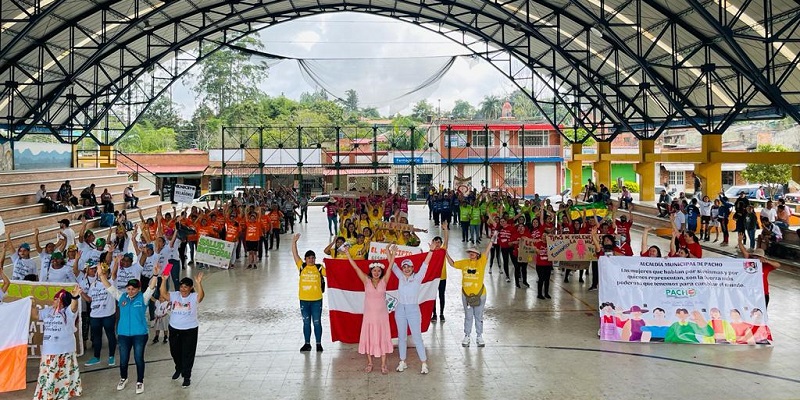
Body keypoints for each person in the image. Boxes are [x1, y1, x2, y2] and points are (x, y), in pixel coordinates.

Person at [99, 259, 157, 395]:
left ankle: (139, 381)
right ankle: (123, 378)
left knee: (138, 358)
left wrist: (155, 275)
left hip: (139, 334)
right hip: (124, 334)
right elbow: (109, 288)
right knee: (123, 359)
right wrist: (101, 275)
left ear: (138, 289)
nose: (130, 291)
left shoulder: (143, 298)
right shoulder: (122, 297)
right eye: (128, 289)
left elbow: (151, 288)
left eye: (133, 289)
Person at [345, 245, 393, 374]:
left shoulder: (384, 281)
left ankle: (383, 365)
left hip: (382, 317)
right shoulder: (366, 281)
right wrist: (347, 253)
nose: (376, 272)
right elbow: (355, 267)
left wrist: (390, 253)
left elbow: (391, 265)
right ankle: (370, 363)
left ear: (381, 272)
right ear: (370, 271)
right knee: (369, 337)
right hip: (369, 317)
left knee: (382, 337)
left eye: (378, 270)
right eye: (374, 270)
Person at [446, 232, 496, 347]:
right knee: (468, 316)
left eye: (474, 253)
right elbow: (452, 264)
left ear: (478, 255)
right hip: (466, 295)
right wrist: (446, 254)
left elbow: (487, 250)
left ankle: (479, 336)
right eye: (470, 252)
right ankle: (467, 335)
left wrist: (492, 239)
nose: (472, 254)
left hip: (480, 295)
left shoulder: (481, 262)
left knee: (478, 316)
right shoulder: (464, 263)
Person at [390, 245, 435, 374]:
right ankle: (402, 361)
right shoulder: (400, 277)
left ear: (413, 268)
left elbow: (425, 264)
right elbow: (392, 265)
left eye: (408, 267)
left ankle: (424, 363)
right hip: (400, 309)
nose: (406, 269)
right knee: (401, 337)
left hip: (413, 310)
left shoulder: (417, 278)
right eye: (404, 267)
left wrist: (431, 250)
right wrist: (391, 252)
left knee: (417, 336)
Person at [32, 287, 83, 400]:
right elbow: (35, 316)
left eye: (56, 299)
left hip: (65, 349)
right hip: (49, 350)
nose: (53, 301)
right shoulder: (48, 311)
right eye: (54, 299)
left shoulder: (68, 312)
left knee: (64, 374)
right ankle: (48, 395)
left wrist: (75, 297)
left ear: (62, 301)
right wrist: (32, 305)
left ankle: (64, 393)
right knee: (48, 374)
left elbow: (74, 307)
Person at [160, 269, 204, 388]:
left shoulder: (194, 296)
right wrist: (163, 280)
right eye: (181, 287)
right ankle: (178, 367)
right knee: (175, 351)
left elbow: (200, 297)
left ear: (190, 288)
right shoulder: (174, 295)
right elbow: (163, 294)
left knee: (188, 353)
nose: (183, 289)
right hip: (174, 328)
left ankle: (187, 376)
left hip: (190, 329)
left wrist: (199, 283)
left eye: (186, 287)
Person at [292, 233, 326, 353]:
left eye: (313, 258)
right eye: (309, 258)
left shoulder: (319, 268)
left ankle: (318, 343)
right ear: (305, 260)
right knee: (306, 322)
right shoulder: (301, 267)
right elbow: (295, 255)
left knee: (317, 322)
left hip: (316, 300)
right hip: (304, 300)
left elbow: (331, 273)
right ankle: (307, 343)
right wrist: (294, 242)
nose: (311, 260)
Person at [80, 260, 117, 367]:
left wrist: (116, 262)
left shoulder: (111, 282)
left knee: (110, 335)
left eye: (104, 272)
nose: (101, 274)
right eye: (101, 272)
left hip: (108, 315)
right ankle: (96, 357)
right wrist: (81, 292)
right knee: (97, 337)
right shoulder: (93, 285)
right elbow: (89, 299)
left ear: (108, 274)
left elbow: (114, 273)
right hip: (95, 315)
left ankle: (111, 356)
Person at [738, 236, 780, 307]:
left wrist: (767, 261)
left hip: (763, 293)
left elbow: (778, 265)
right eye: (755, 256)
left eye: (759, 256)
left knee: (761, 313)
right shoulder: (750, 263)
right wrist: (739, 242)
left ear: (762, 257)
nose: (756, 258)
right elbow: (744, 252)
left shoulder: (766, 266)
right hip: (750, 292)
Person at [431, 222, 449, 323]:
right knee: (433, 296)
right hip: (433, 278)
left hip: (442, 277)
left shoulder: (443, 250)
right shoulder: (430, 252)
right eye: (435, 242)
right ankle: (434, 314)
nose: (437, 244)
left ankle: (441, 314)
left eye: (439, 242)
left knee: (441, 295)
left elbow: (447, 240)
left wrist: (445, 230)